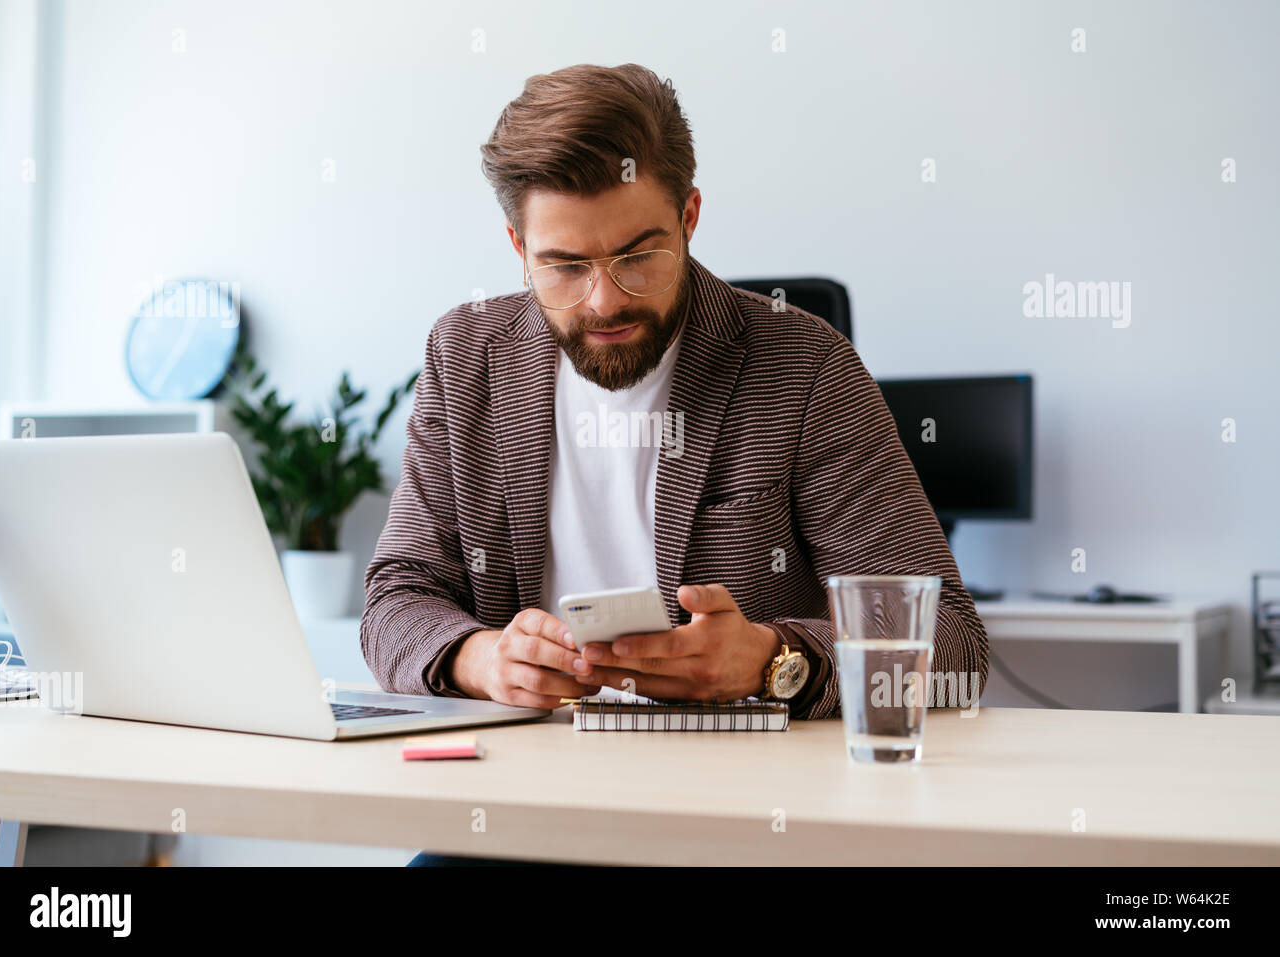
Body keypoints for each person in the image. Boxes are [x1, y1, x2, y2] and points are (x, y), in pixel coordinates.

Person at [364, 63, 989, 867]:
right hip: (526, 812)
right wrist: (478, 657)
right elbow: (396, 598)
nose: (603, 301)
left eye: (636, 256)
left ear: (689, 216)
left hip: (747, 825)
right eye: (564, 266)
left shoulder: (804, 367)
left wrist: (773, 660)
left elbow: (954, 647)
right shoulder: (467, 355)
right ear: (518, 248)